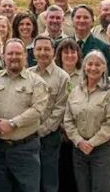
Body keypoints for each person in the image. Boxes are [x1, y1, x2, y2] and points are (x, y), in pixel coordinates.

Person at [0, 39, 48, 192]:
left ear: (25, 55)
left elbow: (38, 109)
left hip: (25, 149)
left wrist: (13, 123)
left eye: (18, 53)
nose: (14, 57)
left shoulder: (37, 82)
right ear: (3, 56)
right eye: (10, 53)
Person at [63, 51, 110, 192]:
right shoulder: (75, 91)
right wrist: (79, 141)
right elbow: (68, 120)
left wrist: (91, 143)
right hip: (79, 150)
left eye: (98, 64)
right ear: (84, 67)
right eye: (90, 64)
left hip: (103, 150)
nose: (93, 68)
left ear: (104, 68)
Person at [30, 36, 71, 192]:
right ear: (33, 51)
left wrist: (41, 130)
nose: (42, 52)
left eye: (47, 49)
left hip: (49, 137)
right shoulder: (28, 74)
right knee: (30, 180)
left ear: (54, 52)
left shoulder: (63, 77)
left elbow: (60, 109)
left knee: (49, 180)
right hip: (27, 136)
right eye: (39, 49)